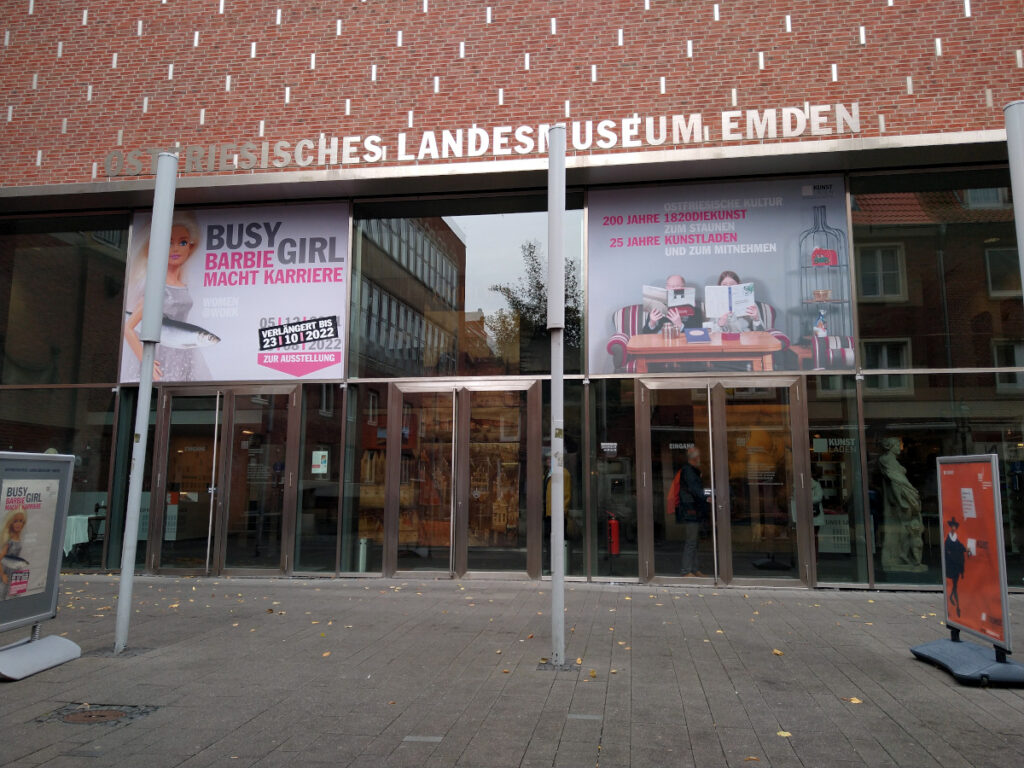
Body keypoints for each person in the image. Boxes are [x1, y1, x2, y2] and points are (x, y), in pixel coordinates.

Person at [123, 211, 211, 382]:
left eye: (182, 242)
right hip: (160, 355)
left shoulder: (184, 284)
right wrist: (146, 362)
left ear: (190, 247)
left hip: (182, 351)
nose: (176, 248)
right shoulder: (154, 285)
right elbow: (129, 327)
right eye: (169, 243)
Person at [878, 436, 925, 572]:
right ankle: (902, 555)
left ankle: (904, 556)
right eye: (898, 445)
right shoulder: (887, 460)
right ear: (891, 446)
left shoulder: (890, 460)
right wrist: (901, 500)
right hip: (901, 498)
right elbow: (895, 482)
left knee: (906, 527)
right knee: (904, 528)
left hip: (904, 496)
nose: (900, 448)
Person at [668, 446, 710, 577]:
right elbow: (695, 490)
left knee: (694, 541)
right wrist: (707, 496)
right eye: (699, 457)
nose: (700, 459)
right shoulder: (689, 472)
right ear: (695, 458)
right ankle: (686, 570)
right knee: (691, 541)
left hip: (692, 510)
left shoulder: (690, 471)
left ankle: (694, 569)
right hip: (690, 510)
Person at [1, 508, 28, 600]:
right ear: (11, 523)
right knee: (3, 593)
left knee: (15, 594)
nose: (18, 523)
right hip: (7, 570)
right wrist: (2, 574)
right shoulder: (9, 541)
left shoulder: (19, 538)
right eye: (15, 521)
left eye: (21, 521)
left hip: (16, 571)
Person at [944, 516, 968, 617]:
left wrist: (966, 549)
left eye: (955, 527)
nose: (953, 528)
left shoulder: (956, 539)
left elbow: (961, 546)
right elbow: (947, 551)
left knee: (955, 585)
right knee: (955, 585)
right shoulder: (948, 540)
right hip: (951, 564)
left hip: (957, 564)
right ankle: (957, 605)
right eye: (952, 526)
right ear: (950, 527)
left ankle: (952, 598)